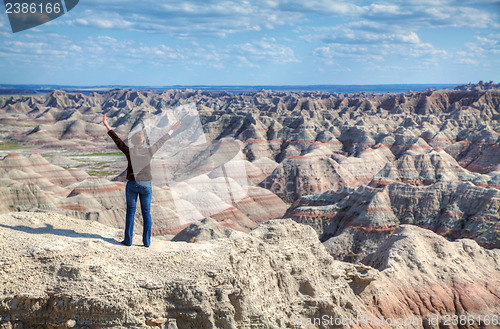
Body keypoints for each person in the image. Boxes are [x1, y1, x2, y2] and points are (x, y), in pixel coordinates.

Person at [103, 114, 181, 247]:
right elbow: (161, 141)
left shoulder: (129, 151)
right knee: (146, 213)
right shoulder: (149, 151)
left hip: (132, 184)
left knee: (130, 213)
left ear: (132, 142)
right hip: (146, 185)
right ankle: (146, 242)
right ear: (143, 142)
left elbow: (118, 141)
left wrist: (107, 125)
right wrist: (172, 130)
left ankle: (128, 240)